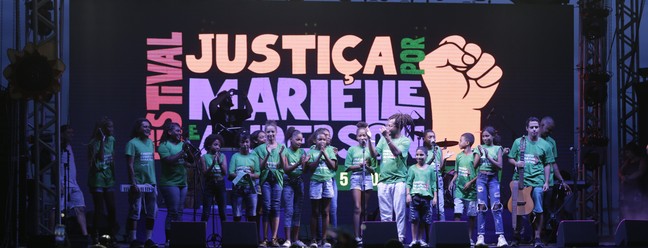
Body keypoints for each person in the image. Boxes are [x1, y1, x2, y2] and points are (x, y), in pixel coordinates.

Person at [508, 117, 554, 248]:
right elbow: (510, 158)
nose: (534, 129)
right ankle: (516, 236)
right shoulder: (519, 142)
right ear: (527, 129)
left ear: (539, 128)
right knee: (517, 209)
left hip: (538, 181)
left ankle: (538, 237)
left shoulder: (545, 145)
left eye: (536, 127)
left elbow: (547, 164)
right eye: (532, 127)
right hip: (521, 180)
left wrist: (546, 182)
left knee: (538, 209)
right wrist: (516, 163)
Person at [368, 113, 413, 243]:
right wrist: (371, 141)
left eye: (390, 125)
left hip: (399, 180)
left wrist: (387, 138)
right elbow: (374, 154)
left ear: (398, 127)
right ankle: (387, 237)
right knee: (385, 213)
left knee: (399, 212)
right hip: (383, 180)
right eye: (387, 125)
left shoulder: (405, 140)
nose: (387, 127)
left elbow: (397, 152)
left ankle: (399, 238)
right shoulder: (383, 139)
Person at [125, 118, 157, 248]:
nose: (147, 128)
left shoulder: (150, 143)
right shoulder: (132, 143)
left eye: (149, 126)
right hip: (138, 183)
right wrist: (133, 182)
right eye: (144, 126)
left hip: (151, 182)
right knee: (135, 210)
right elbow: (130, 164)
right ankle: (133, 239)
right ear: (138, 128)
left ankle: (148, 239)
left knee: (152, 211)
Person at [254, 120, 286, 247]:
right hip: (265, 180)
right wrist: (267, 154)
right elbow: (260, 167)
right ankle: (264, 239)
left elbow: (282, 167)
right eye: (268, 132)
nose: (270, 134)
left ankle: (274, 238)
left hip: (277, 179)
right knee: (266, 207)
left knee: (275, 207)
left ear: (276, 133)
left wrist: (280, 155)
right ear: (265, 133)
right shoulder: (259, 149)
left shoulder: (281, 148)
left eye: (273, 131)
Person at [157, 120, 190, 244]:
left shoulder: (182, 144)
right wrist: (182, 151)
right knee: (173, 211)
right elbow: (169, 160)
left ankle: (178, 239)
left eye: (180, 130)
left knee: (180, 212)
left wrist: (188, 147)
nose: (179, 132)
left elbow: (191, 160)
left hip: (183, 182)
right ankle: (169, 240)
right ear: (169, 132)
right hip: (170, 183)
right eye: (177, 130)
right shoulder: (163, 145)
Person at [538, 116, 570, 242]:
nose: (549, 132)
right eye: (548, 129)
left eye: (552, 130)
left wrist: (561, 180)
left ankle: (543, 234)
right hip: (534, 180)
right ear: (541, 125)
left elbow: (553, 163)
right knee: (535, 208)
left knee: (547, 208)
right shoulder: (531, 140)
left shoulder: (551, 142)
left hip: (548, 181)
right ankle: (534, 234)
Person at [475, 126, 508, 247]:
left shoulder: (498, 148)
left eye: (487, 136)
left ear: (493, 136)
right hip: (481, 179)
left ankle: (501, 237)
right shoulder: (479, 148)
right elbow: (474, 165)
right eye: (483, 136)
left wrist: (488, 156)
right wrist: (479, 153)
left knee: (496, 207)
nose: (485, 138)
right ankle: (480, 236)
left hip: (493, 179)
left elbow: (500, 166)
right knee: (481, 207)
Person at [344, 122, 376, 245]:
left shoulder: (370, 150)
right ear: (356, 137)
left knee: (365, 209)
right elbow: (347, 167)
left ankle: (364, 233)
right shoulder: (352, 149)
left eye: (365, 136)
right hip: (356, 178)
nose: (362, 138)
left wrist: (367, 167)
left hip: (367, 178)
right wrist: (359, 165)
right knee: (357, 207)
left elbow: (374, 170)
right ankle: (356, 235)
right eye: (360, 136)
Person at [87, 117, 117, 241]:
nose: (112, 129)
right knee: (99, 208)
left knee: (111, 207)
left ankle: (111, 235)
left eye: (112, 126)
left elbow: (112, 158)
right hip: (97, 178)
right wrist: (102, 140)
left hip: (108, 178)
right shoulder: (94, 142)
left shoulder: (112, 139)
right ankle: (95, 235)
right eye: (109, 127)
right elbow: (100, 157)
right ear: (102, 129)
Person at [307, 130, 337, 248]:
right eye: (320, 139)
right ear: (315, 141)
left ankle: (324, 239)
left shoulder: (330, 150)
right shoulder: (311, 151)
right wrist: (319, 154)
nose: (322, 141)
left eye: (324, 139)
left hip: (328, 182)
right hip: (315, 182)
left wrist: (325, 153)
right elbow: (311, 168)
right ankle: (314, 239)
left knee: (325, 211)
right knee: (315, 212)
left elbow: (333, 166)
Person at [449, 133, 479, 246]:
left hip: (471, 192)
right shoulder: (459, 156)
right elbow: (456, 172)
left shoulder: (474, 156)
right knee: (457, 213)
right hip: (459, 191)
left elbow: (479, 173)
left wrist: (470, 182)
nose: (459, 142)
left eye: (460, 140)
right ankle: (458, 237)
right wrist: (452, 181)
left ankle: (470, 238)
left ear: (467, 143)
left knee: (471, 216)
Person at [60, 125, 89, 238]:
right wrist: (59, 183)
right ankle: (54, 235)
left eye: (72, 133)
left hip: (73, 184)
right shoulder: (57, 147)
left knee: (80, 208)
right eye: (68, 133)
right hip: (62, 183)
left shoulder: (69, 147)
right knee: (58, 210)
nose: (71, 135)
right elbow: (54, 166)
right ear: (62, 134)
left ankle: (85, 236)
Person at [282, 127, 309, 247]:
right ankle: (288, 240)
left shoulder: (303, 152)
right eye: (297, 140)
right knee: (289, 211)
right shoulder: (285, 152)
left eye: (301, 140)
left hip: (299, 182)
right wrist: (298, 163)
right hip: (288, 182)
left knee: (297, 211)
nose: (300, 142)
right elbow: (286, 169)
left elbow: (303, 171)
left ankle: (295, 239)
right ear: (291, 140)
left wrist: (304, 164)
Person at [406, 146, 437, 247]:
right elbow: (408, 183)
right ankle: (414, 239)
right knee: (414, 219)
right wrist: (408, 195)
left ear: (427, 156)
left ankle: (420, 239)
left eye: (421, 155)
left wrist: (435, 197)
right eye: (417, 155)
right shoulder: (412, 168)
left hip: (426, 198)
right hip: (415, 197)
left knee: (424, 219)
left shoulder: (430, 169)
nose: (419, 157)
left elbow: (433, 184)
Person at [228, 132, 260, 222]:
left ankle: (250, 235)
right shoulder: (235, 156)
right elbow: (231, 173)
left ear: (250, 143)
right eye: (242, 142)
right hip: (237, 189)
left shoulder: (254, 157)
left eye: (247, 142)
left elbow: (258, 174)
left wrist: (250, 175)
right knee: (237, 214)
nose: (245, 144)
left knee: (252, 214)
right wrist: (240, 175)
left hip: (251, 189)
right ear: (239, 143)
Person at [422, 129, 453, 221]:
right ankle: (428, 232)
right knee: (429, 210)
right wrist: (432, 157)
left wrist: (445, 159)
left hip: (438, 179)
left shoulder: (438, 149)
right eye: (430, 137)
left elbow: (441, 169)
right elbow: (423, 167)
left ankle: (442, 230)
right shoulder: (422, 150)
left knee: (441, 209)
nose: (432, 139)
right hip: (427, 180)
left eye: (434, 137)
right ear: (424, 139)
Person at [201, 134, 228, 226]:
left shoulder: (222, 156)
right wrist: (212, 165)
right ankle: (202, 237)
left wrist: (219, 163)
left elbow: (224, 172)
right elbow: (204, 173)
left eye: (219, 145)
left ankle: (226, 237)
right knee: (206, 212)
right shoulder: (204, 157)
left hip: (220, 183)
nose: (218, 147)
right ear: (209, 145)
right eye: (215, 144)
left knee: (223, 212)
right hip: (209, 183)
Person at [619, 142, 648, 219]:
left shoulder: (642, 160)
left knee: (638, 211)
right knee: (627, 211)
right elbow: (620, 171)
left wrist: (628, 178)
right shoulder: (627, 161)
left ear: (633, 151)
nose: (627, 154)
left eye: (628, 152)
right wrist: (622, 177)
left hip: (638, 190)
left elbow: (640, 172)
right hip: (627, 190)